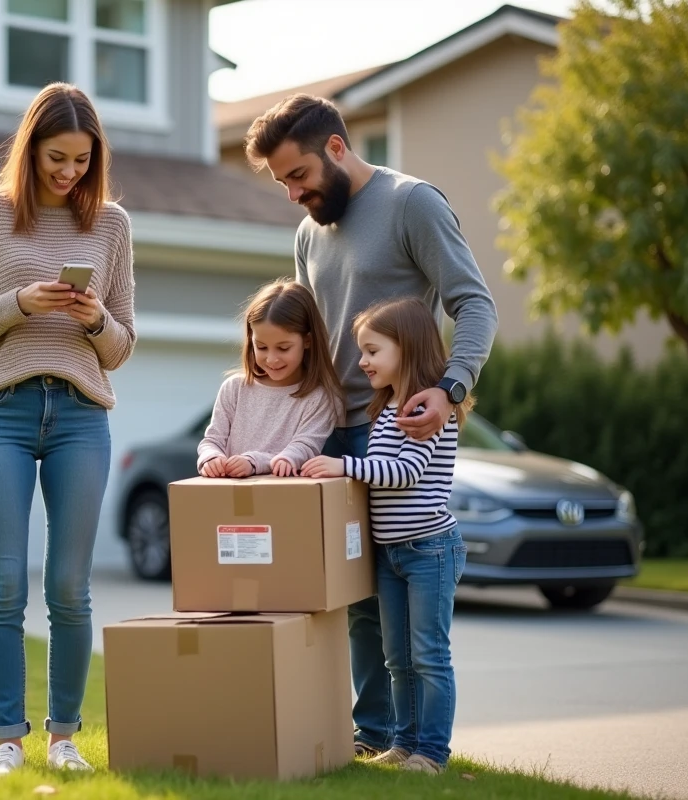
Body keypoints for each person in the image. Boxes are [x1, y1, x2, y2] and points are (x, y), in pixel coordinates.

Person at [243, 95, 497, 758]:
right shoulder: (307, 235)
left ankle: (418, 743)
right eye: (282, 183)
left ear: (334, 148)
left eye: (298, 175)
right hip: (332, 433)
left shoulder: (413, 203)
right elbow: (311, 343)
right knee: (359, 597)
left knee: (410, 611)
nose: (294, 193)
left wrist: (450, 389)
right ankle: (375, 736)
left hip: (400, 430)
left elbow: (474, 304)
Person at [0, 82, 136, 778]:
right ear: (31, 148)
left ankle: (64, 737)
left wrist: (94, 320)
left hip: (81, 415)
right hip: (3, 414)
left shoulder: (111, 225)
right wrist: (18, 303)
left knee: (71, 587)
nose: (69, 172)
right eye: (57, 157)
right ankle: (8, 740)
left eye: (82, 160)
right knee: (4, 585)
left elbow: (122, 345)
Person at [304, 296, 472, 773]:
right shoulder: (386, 406)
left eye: (373, 351)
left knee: (429, 656)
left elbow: (405, 471)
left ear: (407, 347)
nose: (363, 362)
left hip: (430, 550)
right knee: (397, 657)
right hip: (393, 553)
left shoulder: (428, 408)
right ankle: (404, 743)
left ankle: (433, 753)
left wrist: (344, 465)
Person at [198, 279, 343, 479]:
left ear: (307, 341)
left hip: (284, 497)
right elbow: (211, 440)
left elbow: (305, 446)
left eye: (283, 348)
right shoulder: (233, 388)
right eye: (262, 347)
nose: (272, 359)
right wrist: (211, 458)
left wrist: (253, 462)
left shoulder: (319, 397)